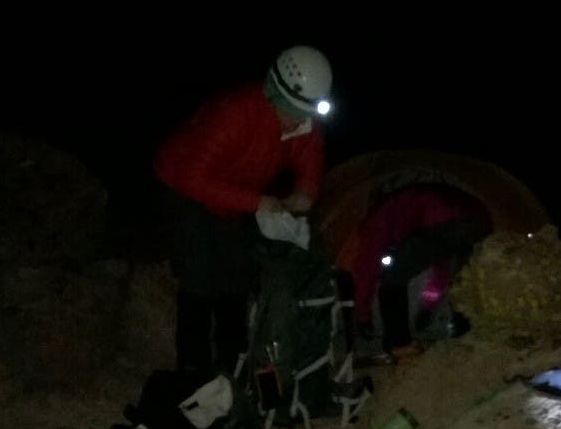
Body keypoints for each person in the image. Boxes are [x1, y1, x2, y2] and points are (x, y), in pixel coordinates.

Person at [154, 47, 333, 381]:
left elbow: (310, 170)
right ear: (274, 94)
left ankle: (234, 367)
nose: (299, 120)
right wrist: (259, 203)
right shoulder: (236, 113)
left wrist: (303, 197)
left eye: (306, 113)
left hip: (234, 193)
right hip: (183, 184)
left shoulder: (305, 127)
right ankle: (192, 372)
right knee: (198, 278)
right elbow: (193, 177)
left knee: (236, 276)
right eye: (293, 110)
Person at [351, 182, 492, 360]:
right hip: (480, 220)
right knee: (463, 278)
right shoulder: (409, 204)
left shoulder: (379, 216)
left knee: (393, 278)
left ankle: (400, 344)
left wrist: (362, 316)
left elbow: (366, 267)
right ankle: (464, 333)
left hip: (445, 219)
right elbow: (441, 267)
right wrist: (429, 304)